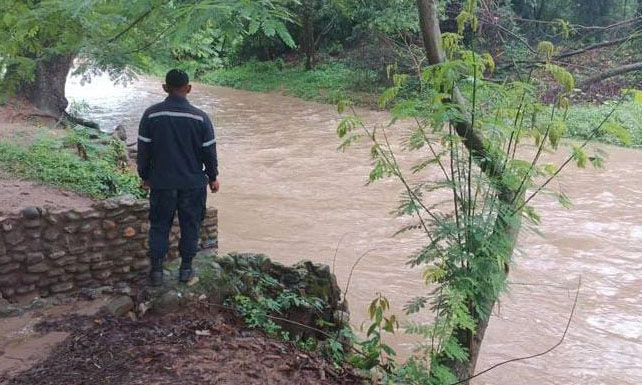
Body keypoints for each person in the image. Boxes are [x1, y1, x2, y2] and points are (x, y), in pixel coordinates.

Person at [137, 69, 220, 286]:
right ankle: (186, 270)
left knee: (159, 226)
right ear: (189, 88)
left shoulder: (151, 115)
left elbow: (143, 150)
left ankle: (156, 272)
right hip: (193, 184)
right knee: (191, 225)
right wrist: (213, 177)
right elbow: (209, 152)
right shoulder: (200, 118)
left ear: (165, 87)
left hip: (162, 182)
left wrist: (144, 176)